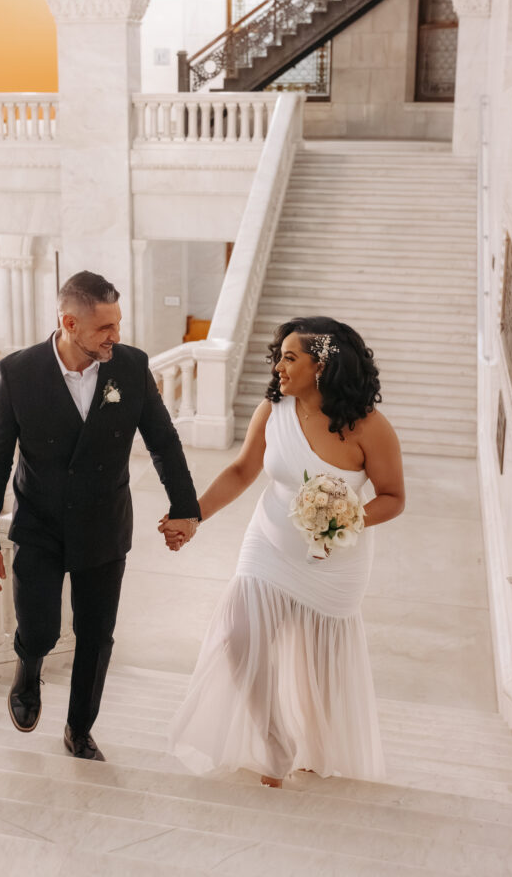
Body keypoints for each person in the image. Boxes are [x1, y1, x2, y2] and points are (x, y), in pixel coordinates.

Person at [161, 317, 405, 786]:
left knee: (317, 666)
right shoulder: (273, 411)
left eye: (290, 357)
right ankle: (274, 738)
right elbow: (240, 471)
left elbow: (393, 496)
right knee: (238, 636)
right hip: (269, 542)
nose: (278, 367)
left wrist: (346, 517)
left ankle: (316, 747)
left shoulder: (370, 428)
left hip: (336, 563)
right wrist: (192, 518)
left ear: (322, 365)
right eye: (279, 356)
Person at [0, 270, 200, 760]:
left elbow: (163, 441)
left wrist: (185, 508)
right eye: (104, 329)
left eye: (118, 324)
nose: (116, 336)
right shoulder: (18, 372)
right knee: (40, 630)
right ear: (69, 322)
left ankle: (79, 728)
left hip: (104, 526)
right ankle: (28, 669)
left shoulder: (132, 368)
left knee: (96, 636)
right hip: (38, 526)